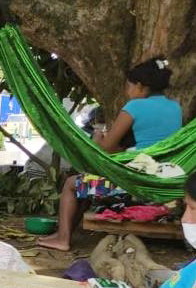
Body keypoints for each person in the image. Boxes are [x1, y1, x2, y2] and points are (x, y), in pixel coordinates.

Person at [38, 57, 182, 251]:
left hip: (134, 186)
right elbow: (147, 146)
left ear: (140, 86)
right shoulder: (175, 107)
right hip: (163, 180)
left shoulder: (134, 107)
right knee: (86, 185)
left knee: (71, 184)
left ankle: (63, 239)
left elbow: (104, 150)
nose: (128, 91)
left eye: (129, 86)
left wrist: (97, 136)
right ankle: (64, 232)